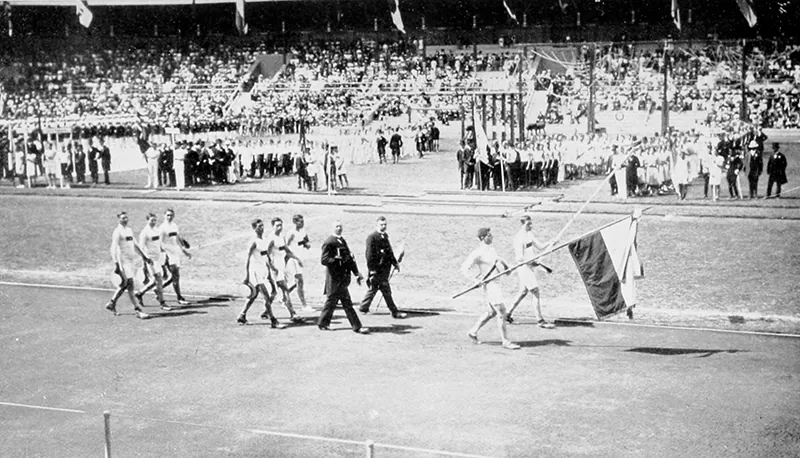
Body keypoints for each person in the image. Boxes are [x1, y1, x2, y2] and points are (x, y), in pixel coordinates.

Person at [460, 227, 520, 350]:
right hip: (490, 285)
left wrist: (507, 268)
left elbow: (497, 260)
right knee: (502, 312)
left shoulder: (491, 249)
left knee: (492, 312)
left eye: (491, 235)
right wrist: (475, 280)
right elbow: (464, 268)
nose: (491, 237)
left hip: (496, 283)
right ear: (482, 238)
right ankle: (505, 341)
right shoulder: (477, 253)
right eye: (489, 235)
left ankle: (473, 331)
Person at [317, 221, 370, 334]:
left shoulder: (342, 240)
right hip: (334, 278)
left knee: (339, 302)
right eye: (337, 226)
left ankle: (323, 323)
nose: (339, 228)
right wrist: (337, 260)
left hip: (342, 279)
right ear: (332, 228)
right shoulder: (329, 242)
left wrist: (356, 273)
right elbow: (324, 260)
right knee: (338, 302)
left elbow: (349, 259)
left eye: (340, 226)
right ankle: (356, 326)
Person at [506, 216, 554, 328]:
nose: (531, 226)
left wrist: (551, 243)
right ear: (522, 224)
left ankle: (507, 314)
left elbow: (540, 247)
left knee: (523, 292)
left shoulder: (529, 234)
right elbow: (519, 258)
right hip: (524, 268)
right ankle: (540, 320)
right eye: (528, 224)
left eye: (531, 223)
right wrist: (531, 262)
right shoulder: (518, 238)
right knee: (536, 292)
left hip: (530, 267)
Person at [237, 219, 285, 328]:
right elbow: (247, 259)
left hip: (264, 271)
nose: (262, 228)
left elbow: (266, 257)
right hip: (255, 272)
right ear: (254, 228)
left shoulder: (264, 240)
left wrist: (269, 273)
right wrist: (247, 276)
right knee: (267, 297)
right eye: (259, 227)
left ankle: (242, 315)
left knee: (254, 295)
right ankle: (273, 321)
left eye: (262, 226)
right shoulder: (253, 242)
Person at [105, 212, 151, 320]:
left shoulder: (129, 230)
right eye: (123, 218)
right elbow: (113, 249)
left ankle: (112, 303)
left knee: (125, 284)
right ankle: (137, 310)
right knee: (130, 285)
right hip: (123, 261)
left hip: (130, 262)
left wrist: (144, 257)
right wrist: (117, 264)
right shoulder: (117, 232)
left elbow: (135, 245)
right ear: (119, 220)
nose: (125, 220)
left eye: (126, 218)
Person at [359, 216, 406, 318]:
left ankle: (363, 307)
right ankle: (394, 312)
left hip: (384, 270)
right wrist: (372, 270)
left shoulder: (385, 237)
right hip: (377, 270)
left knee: (374, 289)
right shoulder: (372, 237)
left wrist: (395, 263)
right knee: (386, 291)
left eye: (385, 225)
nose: (383, 226)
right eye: (381, 225)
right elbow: (369, 255)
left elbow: (389, 252)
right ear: (377, 225)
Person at [267, 217, 305, 323]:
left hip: (282, 266)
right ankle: (293, 314)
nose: (279, 227)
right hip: (275, 268)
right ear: (272, 226)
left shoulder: (281, 237)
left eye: (281, 225)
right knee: (285, 290)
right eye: (277, 225)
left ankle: (265, 311)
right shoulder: (271, 239)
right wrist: (272, 268)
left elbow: (286, 251)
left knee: (275, 292)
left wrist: (296, 259)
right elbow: (266, 255)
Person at [136, 213, 171, 311]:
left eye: (155, 220)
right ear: (147, 220)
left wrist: (165, 253)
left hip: (158, 258)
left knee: (154, 281)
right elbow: (141, 248)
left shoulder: (157, 230)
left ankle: (139, 293)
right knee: (159, 280)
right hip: (150, 260)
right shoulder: (144, 233)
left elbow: (159, 244)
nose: (153, 222)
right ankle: (162, 303)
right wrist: (146, 260)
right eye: (151, 220)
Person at [159, 208, 192, 304]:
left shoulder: (174, 226)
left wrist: (185, 251)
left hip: (175, 254)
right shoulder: (162, 228)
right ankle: (179, 298)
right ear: (164, 216)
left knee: (174, 277)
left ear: (174, 216)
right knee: (176, 276)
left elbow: (177, 239)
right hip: (168, 255)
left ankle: (149, 291)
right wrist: (164, 257)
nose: (169, 217)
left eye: (171, 215)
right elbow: (159, 243)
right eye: (167, 215)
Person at [286, 214, 313, 313]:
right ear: (295, 222)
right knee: (299, 281)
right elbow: (286, 247)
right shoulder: (291, 233)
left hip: (300, 258)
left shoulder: (303, 231)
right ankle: (304, 305)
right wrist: (294, 258)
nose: (302, 223)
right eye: (300, 222)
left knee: (297, 282)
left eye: (303, 221)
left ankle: (283, 296)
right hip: (293, 259)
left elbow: (305, 240)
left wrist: (307, 245)